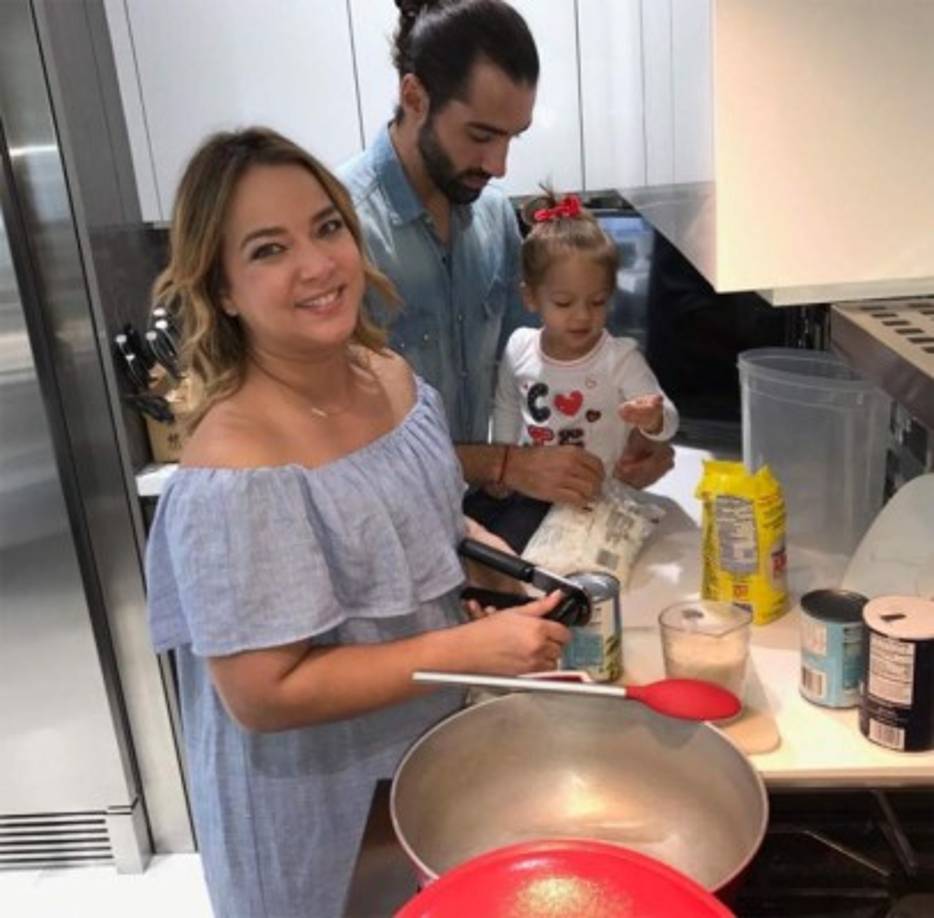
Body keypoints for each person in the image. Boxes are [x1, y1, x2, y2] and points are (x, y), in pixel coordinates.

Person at [144, 127, 570, 918]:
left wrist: (484, 559)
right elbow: (264, 693)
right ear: (224, 288)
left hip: (422, 765)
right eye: (269, 249)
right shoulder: (235, 469)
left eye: (327, 227)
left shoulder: (391, 379)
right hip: (312, 810)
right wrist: (467, 648)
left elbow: (428, 527)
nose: (317, 265)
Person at [339, 0, 678, 511]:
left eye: (512, 137)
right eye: (481, 135)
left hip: (487, 515)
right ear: (414, 97)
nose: (498, 165)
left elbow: (546, 362)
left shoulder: (493, 218)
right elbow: (334, 443)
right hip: (391, 531)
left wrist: (639, 434)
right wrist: (502, 462)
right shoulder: (338, 231)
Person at [492, 192, 678, 489]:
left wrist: (653, 419)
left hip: (599, 497)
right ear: (530, 297)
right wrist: (501, 466)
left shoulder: (620, 358)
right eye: (564, 303)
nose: (582, 317)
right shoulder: (519, 347)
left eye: (597, 301)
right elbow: (507, 406)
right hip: (533, 492)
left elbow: (669, 420)